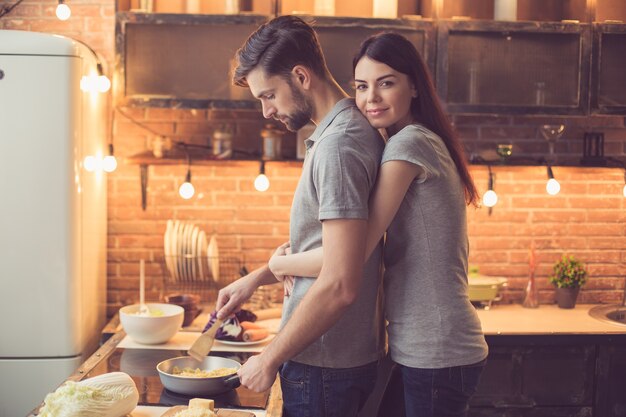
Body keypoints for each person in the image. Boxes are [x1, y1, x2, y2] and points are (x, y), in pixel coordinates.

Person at [268, 32, 489, 417]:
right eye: (361, 86)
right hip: (424, 346)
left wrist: (280, 265)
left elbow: (352, 254)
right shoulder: (412, 140)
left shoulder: (408, 146)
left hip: (436, 348)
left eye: (386, 83)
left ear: (415, 86)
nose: (371, 98)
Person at [215, 15, 386, 417]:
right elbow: (329, 250)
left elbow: (341, 282)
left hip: (324, 365)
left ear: (301, 76)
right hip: (332, 361)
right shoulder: (340, 133)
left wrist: (270, 357)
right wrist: (258, 277)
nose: (265, 111)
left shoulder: (338, 147)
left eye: (269, 95)